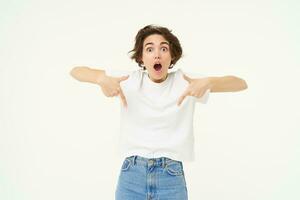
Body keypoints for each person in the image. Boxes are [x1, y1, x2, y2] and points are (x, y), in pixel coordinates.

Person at [70, 24, 248, 200]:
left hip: (170, 176)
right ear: (141, 57)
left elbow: (240, 83)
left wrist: (209, 82)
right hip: (131, 175)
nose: (157, 54)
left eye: (164, 48)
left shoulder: (185, 81)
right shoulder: (128, 80)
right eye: (149, 49)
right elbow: (76, 71)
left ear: (172, 57)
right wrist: (101, 79)